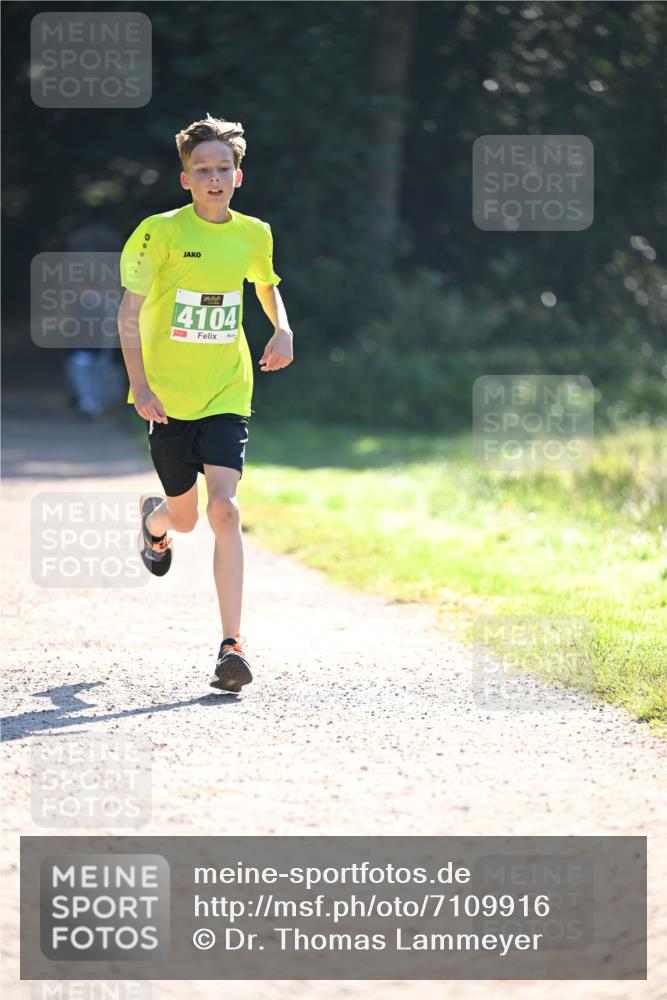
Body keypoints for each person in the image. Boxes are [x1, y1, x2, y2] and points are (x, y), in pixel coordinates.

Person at [117, 114, 294, 693]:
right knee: (186, 519)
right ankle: (154, 520)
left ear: (238, 176)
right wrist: (140, 386)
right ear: (185, 179)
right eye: (203, 170)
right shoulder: (160, 232)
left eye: (224, 168)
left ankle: (231, 646)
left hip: (226, 388)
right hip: (167, 396)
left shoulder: (253, 233)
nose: (214, 178)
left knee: (225, 511)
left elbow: (265, 282)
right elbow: (127, 314)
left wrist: (281, 329)